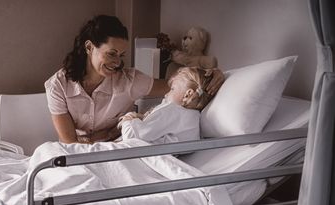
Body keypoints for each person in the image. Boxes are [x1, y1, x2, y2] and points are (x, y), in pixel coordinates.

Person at [44, 15, 223, 144]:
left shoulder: (130, 81)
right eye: (111, 54)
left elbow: (177, 84)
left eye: (121, 55)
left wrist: (212, 74)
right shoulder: (58, 86)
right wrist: (103, 137)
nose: (117, 62)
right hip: (78, 153)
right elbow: (69, 142)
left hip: (117, 149)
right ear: (89, 47)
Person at [117, 67, 214, 145]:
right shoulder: (194, 118)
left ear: (187, 95)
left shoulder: (171, 110)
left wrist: (128, 120)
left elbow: (132, 137)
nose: (166, 94)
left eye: (172, 89)